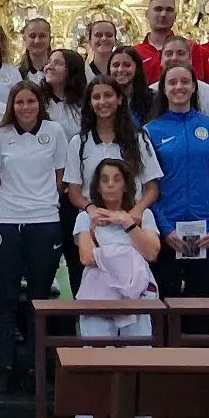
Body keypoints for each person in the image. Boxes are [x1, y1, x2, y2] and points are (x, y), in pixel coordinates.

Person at [0, 81, 68, 391]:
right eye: (19, 102)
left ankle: (40, 367)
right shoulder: (1, 136)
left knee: (40, 298)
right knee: (6, 298)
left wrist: (43, 200)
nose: (25, 107)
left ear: (39, 103)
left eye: (31, 101)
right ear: (12, 105)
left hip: (44, 219)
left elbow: (61, 174)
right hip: (7, 220)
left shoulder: (55, 132)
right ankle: (5, 366)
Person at [65, 78, 162, 292]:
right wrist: (91, 211)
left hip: (131, 226)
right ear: (89, 103)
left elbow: (152, 187)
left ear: (119, 99)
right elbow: (74, 191)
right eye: (96, 97)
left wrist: (135, 213)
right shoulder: (79, 143)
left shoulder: (138, 139)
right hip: (96, 227)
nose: (102, 102)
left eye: (108, 95)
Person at [144, 65, 209, 300]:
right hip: (167, 233)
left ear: (194, 87)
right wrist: (165, 229)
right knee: (166, 301)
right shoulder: (150, 131)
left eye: (184, 82)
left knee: (201, 303)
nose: (179, 87)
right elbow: (148, 186)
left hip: (205, 233)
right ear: (163, 89)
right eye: (172, 82)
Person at [75, 158, 161, 338]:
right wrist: (130, 254)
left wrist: (126, 222)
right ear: (97, 186)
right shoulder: (85, 218)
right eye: (105, 180)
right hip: (97, 296)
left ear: (126, 185)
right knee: (97, 360)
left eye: (117, 179)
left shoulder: (143, 215)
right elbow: (87, 257)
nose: (110, 184)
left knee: (137, 359)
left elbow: (151, 252)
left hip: (137, 296)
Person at [157, 35, 209, 124]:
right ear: (161, 60)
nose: (174, 58)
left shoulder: (208, 92)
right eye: (169, 54)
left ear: (190, 59)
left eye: (180, 53)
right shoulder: (152, 92)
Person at [135, 0, 180, 83]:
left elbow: (197, 85)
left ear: (175, 16)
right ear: (147, 14)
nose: (163, 14)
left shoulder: (189, 48)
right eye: (158, 9)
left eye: (169, 10)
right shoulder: (136, 53)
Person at [43, 47, 87, 137]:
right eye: (49, 62)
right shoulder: (37, 100)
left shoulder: (85, 105)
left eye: (57, 63)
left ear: (72, 69)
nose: (49, 67)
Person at [109, 45, 152, 125]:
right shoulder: (104, 100)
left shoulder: (153, 100)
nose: (120, 69)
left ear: (137, 68)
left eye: (127, 65)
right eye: (116, 65)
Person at [18, 17, 52, 83]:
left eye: (42, 36)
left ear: (50, 39)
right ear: (24, 39)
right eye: (32, 36)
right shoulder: (15, 73)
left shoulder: (60, 72)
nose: (37, 41)